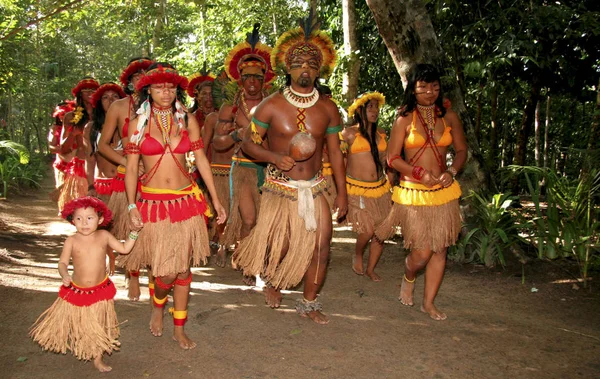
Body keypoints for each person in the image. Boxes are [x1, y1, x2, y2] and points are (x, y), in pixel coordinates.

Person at [232, 14, 347, 324]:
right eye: (298, 63)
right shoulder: (269, 105)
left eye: (312, 62)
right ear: (287, 68)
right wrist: (272, 156)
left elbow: (335, 153)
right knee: (279, 245)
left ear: (320, 68)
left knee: (322, 245)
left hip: (316, 186)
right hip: (280, 187)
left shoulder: (328, 107)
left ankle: (309, 302)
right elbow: (248, 144)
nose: (305, 68)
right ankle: (272, 281)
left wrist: (343, 195)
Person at [119, 63, 226, 349]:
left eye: (169, 87)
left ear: (176, 90)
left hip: (186, 202)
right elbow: (131, 170)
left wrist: (215, 199)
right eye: (158, 87)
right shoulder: (136, 124)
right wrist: (131, 206)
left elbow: (201, 160)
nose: (165, 93)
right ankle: (158, 306)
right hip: (153, 205)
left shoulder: (187, 120)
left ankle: (179, 328)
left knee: (182, 270)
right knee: (164, 272)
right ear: (147, 91)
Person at [375, 64, 467, 320]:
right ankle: (409, 274)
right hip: (413, 192)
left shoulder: (449, 117)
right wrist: (418, 174)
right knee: (421, 252)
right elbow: (392, 158)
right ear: (412, 90)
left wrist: (452, 172)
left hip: (443, 192)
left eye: (435, 87)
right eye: (423, 87)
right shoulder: (404, 119)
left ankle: (428, 303)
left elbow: (461, 151)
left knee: (440, 248)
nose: (430, 92)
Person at [30, 196, 140, 372]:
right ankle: (82, 343)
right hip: (77, 291)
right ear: (72, 221)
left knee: (100, 325)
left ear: (100, 219)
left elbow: (124, 249)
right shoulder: (71, 240)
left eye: (90, 218)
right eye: (79, 218)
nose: (84, 223)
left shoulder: (104, 236)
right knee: (82, 324)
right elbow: (62, 263)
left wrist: (134, 233)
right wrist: (64, 274)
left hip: (100, 290)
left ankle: (98, 358)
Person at [212, 23, 276, 267]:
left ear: (264, 80)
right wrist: (237, 135)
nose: (252, 81)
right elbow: (218, 143)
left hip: (269, 169)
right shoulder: (231, 108)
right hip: (242, 169)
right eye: (247, 76)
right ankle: (249, 264)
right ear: (240, 79)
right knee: (248, 219)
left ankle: (259, 259)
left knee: (264, 220)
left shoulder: (273, 106)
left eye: (257, 77)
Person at [98, 57, 154, 301]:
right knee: (129, 227)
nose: (141, 79)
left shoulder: (163, 106)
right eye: (136, 76)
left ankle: (154, 277)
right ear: (130, 81)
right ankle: (133, 275)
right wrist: (126, 163)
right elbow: (103, 145)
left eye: (145, 74)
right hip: (126, 177)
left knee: (153, 231)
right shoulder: (119, 107)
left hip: (155, 178)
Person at [341, 92, 391, 281]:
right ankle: (358, 253)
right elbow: (340, 160)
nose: (375, 111)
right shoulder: (349, 133)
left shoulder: (381, 134)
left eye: (376, 108)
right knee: (368, 230)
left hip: (380, 189)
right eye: (370, 107)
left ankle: (371, 269)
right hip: (356, 189)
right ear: (359, 110)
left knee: (381, 232)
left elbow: (384, 161)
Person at [57, 77, 99, 212]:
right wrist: (73, 134)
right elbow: (63, 148)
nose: (90, 92)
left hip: (102, 168)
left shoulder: (105, 114)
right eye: (86, 90)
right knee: (82, 211)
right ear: (80, 94)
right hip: (80, 168)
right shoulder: (70, 117)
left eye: (93, 90)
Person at [89, 82, 127, 203]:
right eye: (105, 97)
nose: (110, 100)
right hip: (102, 186)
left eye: (115, 96)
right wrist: (90, 186)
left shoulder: (130, 124)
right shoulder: (91, 128)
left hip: (126, 185)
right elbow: (89, 160)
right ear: (99, 102)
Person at [48, 101, 75, 189]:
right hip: (62, 165)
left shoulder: (78, 128)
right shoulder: (55, 129)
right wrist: (63, 149)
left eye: (66, 114)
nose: (63, 117)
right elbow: (51, 147)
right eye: (61, 115)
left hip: (77, 165)